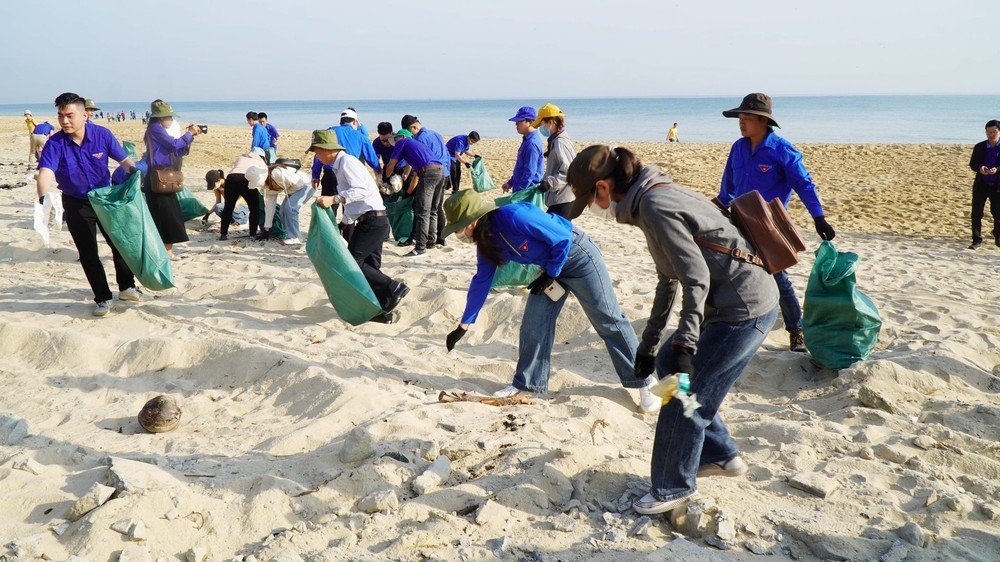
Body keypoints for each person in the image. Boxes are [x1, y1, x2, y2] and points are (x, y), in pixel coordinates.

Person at [566, 144, 779, 515]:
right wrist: (649, 348)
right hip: (732, 302)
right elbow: (669, 279)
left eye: (588, 201)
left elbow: (695, 278)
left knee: (683, 389)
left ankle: (672, 487)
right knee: (666, 366)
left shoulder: (655, 205)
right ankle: (720, 455)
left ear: (603, 188)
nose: (593, 210)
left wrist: (686, 341)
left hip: (744, 308)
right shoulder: (648, 199)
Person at [441, 189, 657, 410]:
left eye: (458, 229)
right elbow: (481, 281)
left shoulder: (515, 216)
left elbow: (562, 238)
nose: (459, 235)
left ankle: (646, 381)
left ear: (472, 221)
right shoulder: (487, 241)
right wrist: (464, 325)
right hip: (550, 271)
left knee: (607, 319)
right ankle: (527, 384)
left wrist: (551, 273)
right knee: (533, 324)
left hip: (578, 258)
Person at [718, 93, 836, 352]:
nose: (742, 122)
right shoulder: (738, 147)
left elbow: (804, 184)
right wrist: (718, 205)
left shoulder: (782, 149)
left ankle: (796, 330)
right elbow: (728, 186)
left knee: (779, 278)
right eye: (741, 117)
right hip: (737, 220)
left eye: (748, 118)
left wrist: (819, 217)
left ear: (763, 121)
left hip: (769, 226)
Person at [35, 92, 142, 317]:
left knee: (119, 244)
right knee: (88, 253)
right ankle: (103, 298)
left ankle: (126, 287)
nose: (64, 121)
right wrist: (43, 200)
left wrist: (136, 176)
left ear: (85, 115)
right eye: (60, 116)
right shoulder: (55, 143)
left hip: (105, 199)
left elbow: (123, 160)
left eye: (69, 115)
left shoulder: (102, 134)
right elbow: (45, 173)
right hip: (76, 203)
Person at [309, 130, 410, 323]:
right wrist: (344, 223)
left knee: (354, 263)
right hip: (372, 220)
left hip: (373, 221)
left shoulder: (347, 162)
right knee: (371, 268)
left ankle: (394, 287)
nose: (316, 155)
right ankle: (380, 312)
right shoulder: (339, 167)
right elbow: (353, 201)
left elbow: (361, 190)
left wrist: (334, 199)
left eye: (316, 151)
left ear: (325, 150)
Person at [144, 100, 202, 257]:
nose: (170, 120)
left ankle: (167, 250)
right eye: (168, 117)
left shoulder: (157, 129)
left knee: (169, 213)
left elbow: (178, 151)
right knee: (165, 214)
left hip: (163, 177)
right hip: (158, 178)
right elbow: (174, 145)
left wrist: (191, 137)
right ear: (160, 118)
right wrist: (188, 134)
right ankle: (166, 251)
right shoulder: (155, 129)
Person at [384, 129, 447, 258]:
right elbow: (416, 174)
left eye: (395, 139)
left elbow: (391, 164)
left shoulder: (403, 142)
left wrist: (387, 179)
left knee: (422, 211)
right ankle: (430, 242)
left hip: (428, 174)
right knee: (433, 210)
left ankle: (420, 248)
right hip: (440, 172)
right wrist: (408, 189)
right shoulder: (416, 147)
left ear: (401, 137)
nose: (395, 143)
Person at [403, 115, 450, 245]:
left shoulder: (420, 139)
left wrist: (408, 176)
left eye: (410, 132)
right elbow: (445, 153)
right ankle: (439, 239)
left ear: (414, 127)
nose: (410, 136)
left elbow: (419, 159)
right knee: (436, 208)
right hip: (444, 172)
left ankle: (424, 242)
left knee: (423, 209)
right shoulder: (436, 134)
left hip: (430, 173)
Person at [533, 103, 576, 219]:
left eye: (542, 123)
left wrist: (549, 183)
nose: (541, 128)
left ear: (551, 122)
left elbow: (569, 170)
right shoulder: (555, 141)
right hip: (558, 198)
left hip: (563, 199)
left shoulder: (560, 142)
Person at [219, 148, 267, 241]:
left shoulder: (241, 157)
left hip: (231, 177)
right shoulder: (261, 161)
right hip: (246, 179)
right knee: (254, 208)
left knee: (228, 207)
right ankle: (252, 234)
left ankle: (223, 234)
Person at [967, 119, 1000, 249]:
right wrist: (980, 168)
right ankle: (976, 239)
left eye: (994, 132)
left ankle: (997, 235)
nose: (991, 134)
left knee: (997, 213)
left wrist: (997, 169)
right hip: (981, 185)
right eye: (988, 132)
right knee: (976, 213)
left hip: (997, 186)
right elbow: (973, 164)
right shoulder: (980, 146)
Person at [501, 106, 544, 193]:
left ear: (530, 122)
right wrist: (510, 183)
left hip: (527, 192)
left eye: (519, 121)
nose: (516, 124)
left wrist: (519, 192)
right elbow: (521, 167)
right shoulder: (526, 140)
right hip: (523, 189)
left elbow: (530, 172)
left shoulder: (531, 143)